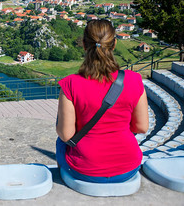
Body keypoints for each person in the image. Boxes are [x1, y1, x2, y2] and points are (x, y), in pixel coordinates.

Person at [56, 19, 149, 183]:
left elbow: (66, 135)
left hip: (85, 170)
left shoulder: (70, 84)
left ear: (84, 45)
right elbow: (141, 127)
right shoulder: (134, 80)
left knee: (60, 141)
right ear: (114, 44)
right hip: (128, 167)